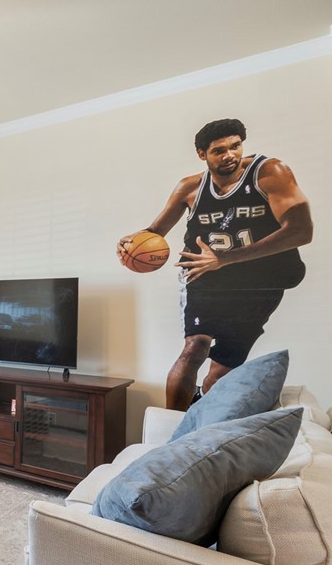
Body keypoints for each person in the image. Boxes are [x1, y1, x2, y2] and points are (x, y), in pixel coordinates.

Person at [118, 119, 313, 410]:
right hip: (204, 274)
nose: (230, 155)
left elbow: (301, 231)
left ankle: (200, 412)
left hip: (261, 280)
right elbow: (153, 234)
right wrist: (131, 243)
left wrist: (225, 259)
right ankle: (171, 430)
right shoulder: (190, 188)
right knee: (195, 346)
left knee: (221, 371)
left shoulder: (270, 173)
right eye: (219, 150)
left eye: (235, 146)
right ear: (202, 154)